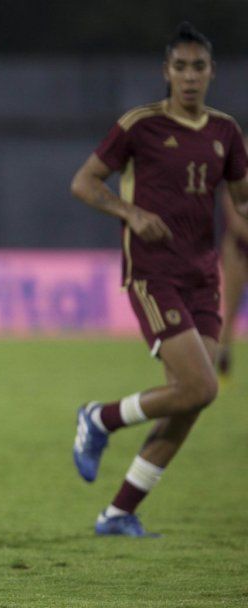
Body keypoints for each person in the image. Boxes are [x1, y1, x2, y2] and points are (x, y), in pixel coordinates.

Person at [69, 22, 248, 537]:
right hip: (153, 274)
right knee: (198, 385)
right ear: (166, 72)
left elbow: (242, 199)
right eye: (180, 66)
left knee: (194, 397)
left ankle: (120, 511)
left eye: (199, 67)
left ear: (212, 73)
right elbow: (83, 182)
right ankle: (98, 418)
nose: (189, 76)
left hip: (202, 277)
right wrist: (130, 212)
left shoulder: (225, 133)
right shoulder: (140, 125)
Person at [216, 184, 248, 377]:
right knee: (231, 308)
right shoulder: (236, 174)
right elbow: (234, 220)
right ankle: (224, 352)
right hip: (238, 247)